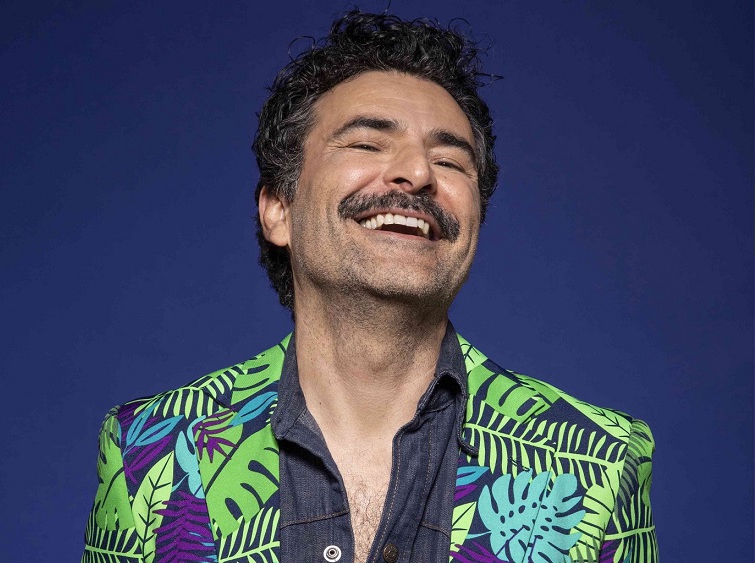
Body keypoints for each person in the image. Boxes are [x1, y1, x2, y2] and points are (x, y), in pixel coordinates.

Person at [82, 11, 657, 563]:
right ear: (278, 209)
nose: (418, 173)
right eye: (366, 144)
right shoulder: (147, 452)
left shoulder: (603, 465)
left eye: (450, 160)